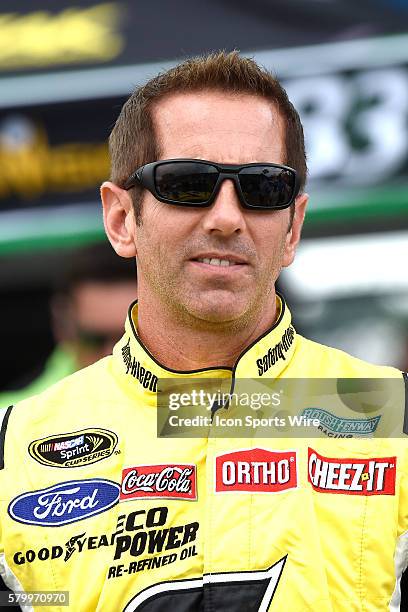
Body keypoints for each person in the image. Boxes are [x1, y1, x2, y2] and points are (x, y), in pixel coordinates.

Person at [0, 51, 406, 611]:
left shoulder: (392, 419)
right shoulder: (13, 450)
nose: (226, 216)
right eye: (188, 182)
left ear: (293, 227)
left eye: (263, 187)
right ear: (122, 220)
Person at [0, 242, 137, 408]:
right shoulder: (13, 416)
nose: (113, 355)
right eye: (93, 339)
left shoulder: (175, 403)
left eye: (131, 339)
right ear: (62, 326)